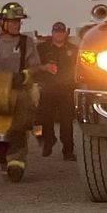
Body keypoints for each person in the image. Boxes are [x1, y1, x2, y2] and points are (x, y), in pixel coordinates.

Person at [0, 3, 41, 182]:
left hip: (19, 91)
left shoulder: (26, 42)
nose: (17, 25)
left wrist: (25, 75)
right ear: (3, 23)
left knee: (19, 127)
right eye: (13, 22)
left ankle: (17, 162)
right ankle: (3, 161)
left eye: (19, 22)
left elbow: (35, 66)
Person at [36, 21, 78, 161]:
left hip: (67, 89)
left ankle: (68, 151)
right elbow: (33, 65)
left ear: (66, 33)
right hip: (48, 88)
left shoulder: (74, 49)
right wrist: (44, 68)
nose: (59, 34)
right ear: (52, 33)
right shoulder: (41, 48)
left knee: (67, 122)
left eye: (61, 31)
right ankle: (48, 141)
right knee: (44, 119)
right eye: (56, 31)